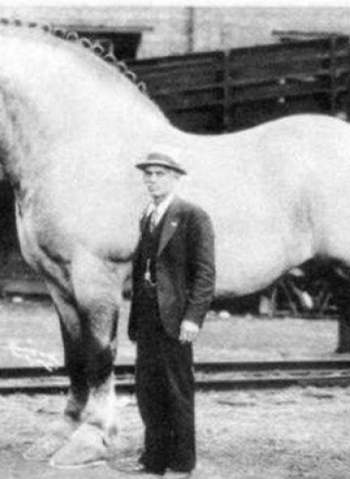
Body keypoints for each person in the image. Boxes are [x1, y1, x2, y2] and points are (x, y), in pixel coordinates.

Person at [128, 151, 216, 478]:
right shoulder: (147, 215)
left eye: (160, 174)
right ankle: (153, 460)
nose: (152, 180)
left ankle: (181, 463)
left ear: (176, 178)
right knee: (148, 389)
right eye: (148, 174)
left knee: (177, 390)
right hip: (147, 315)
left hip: (176, 318)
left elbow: (205, 274)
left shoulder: (192, 216)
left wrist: (193, 318)